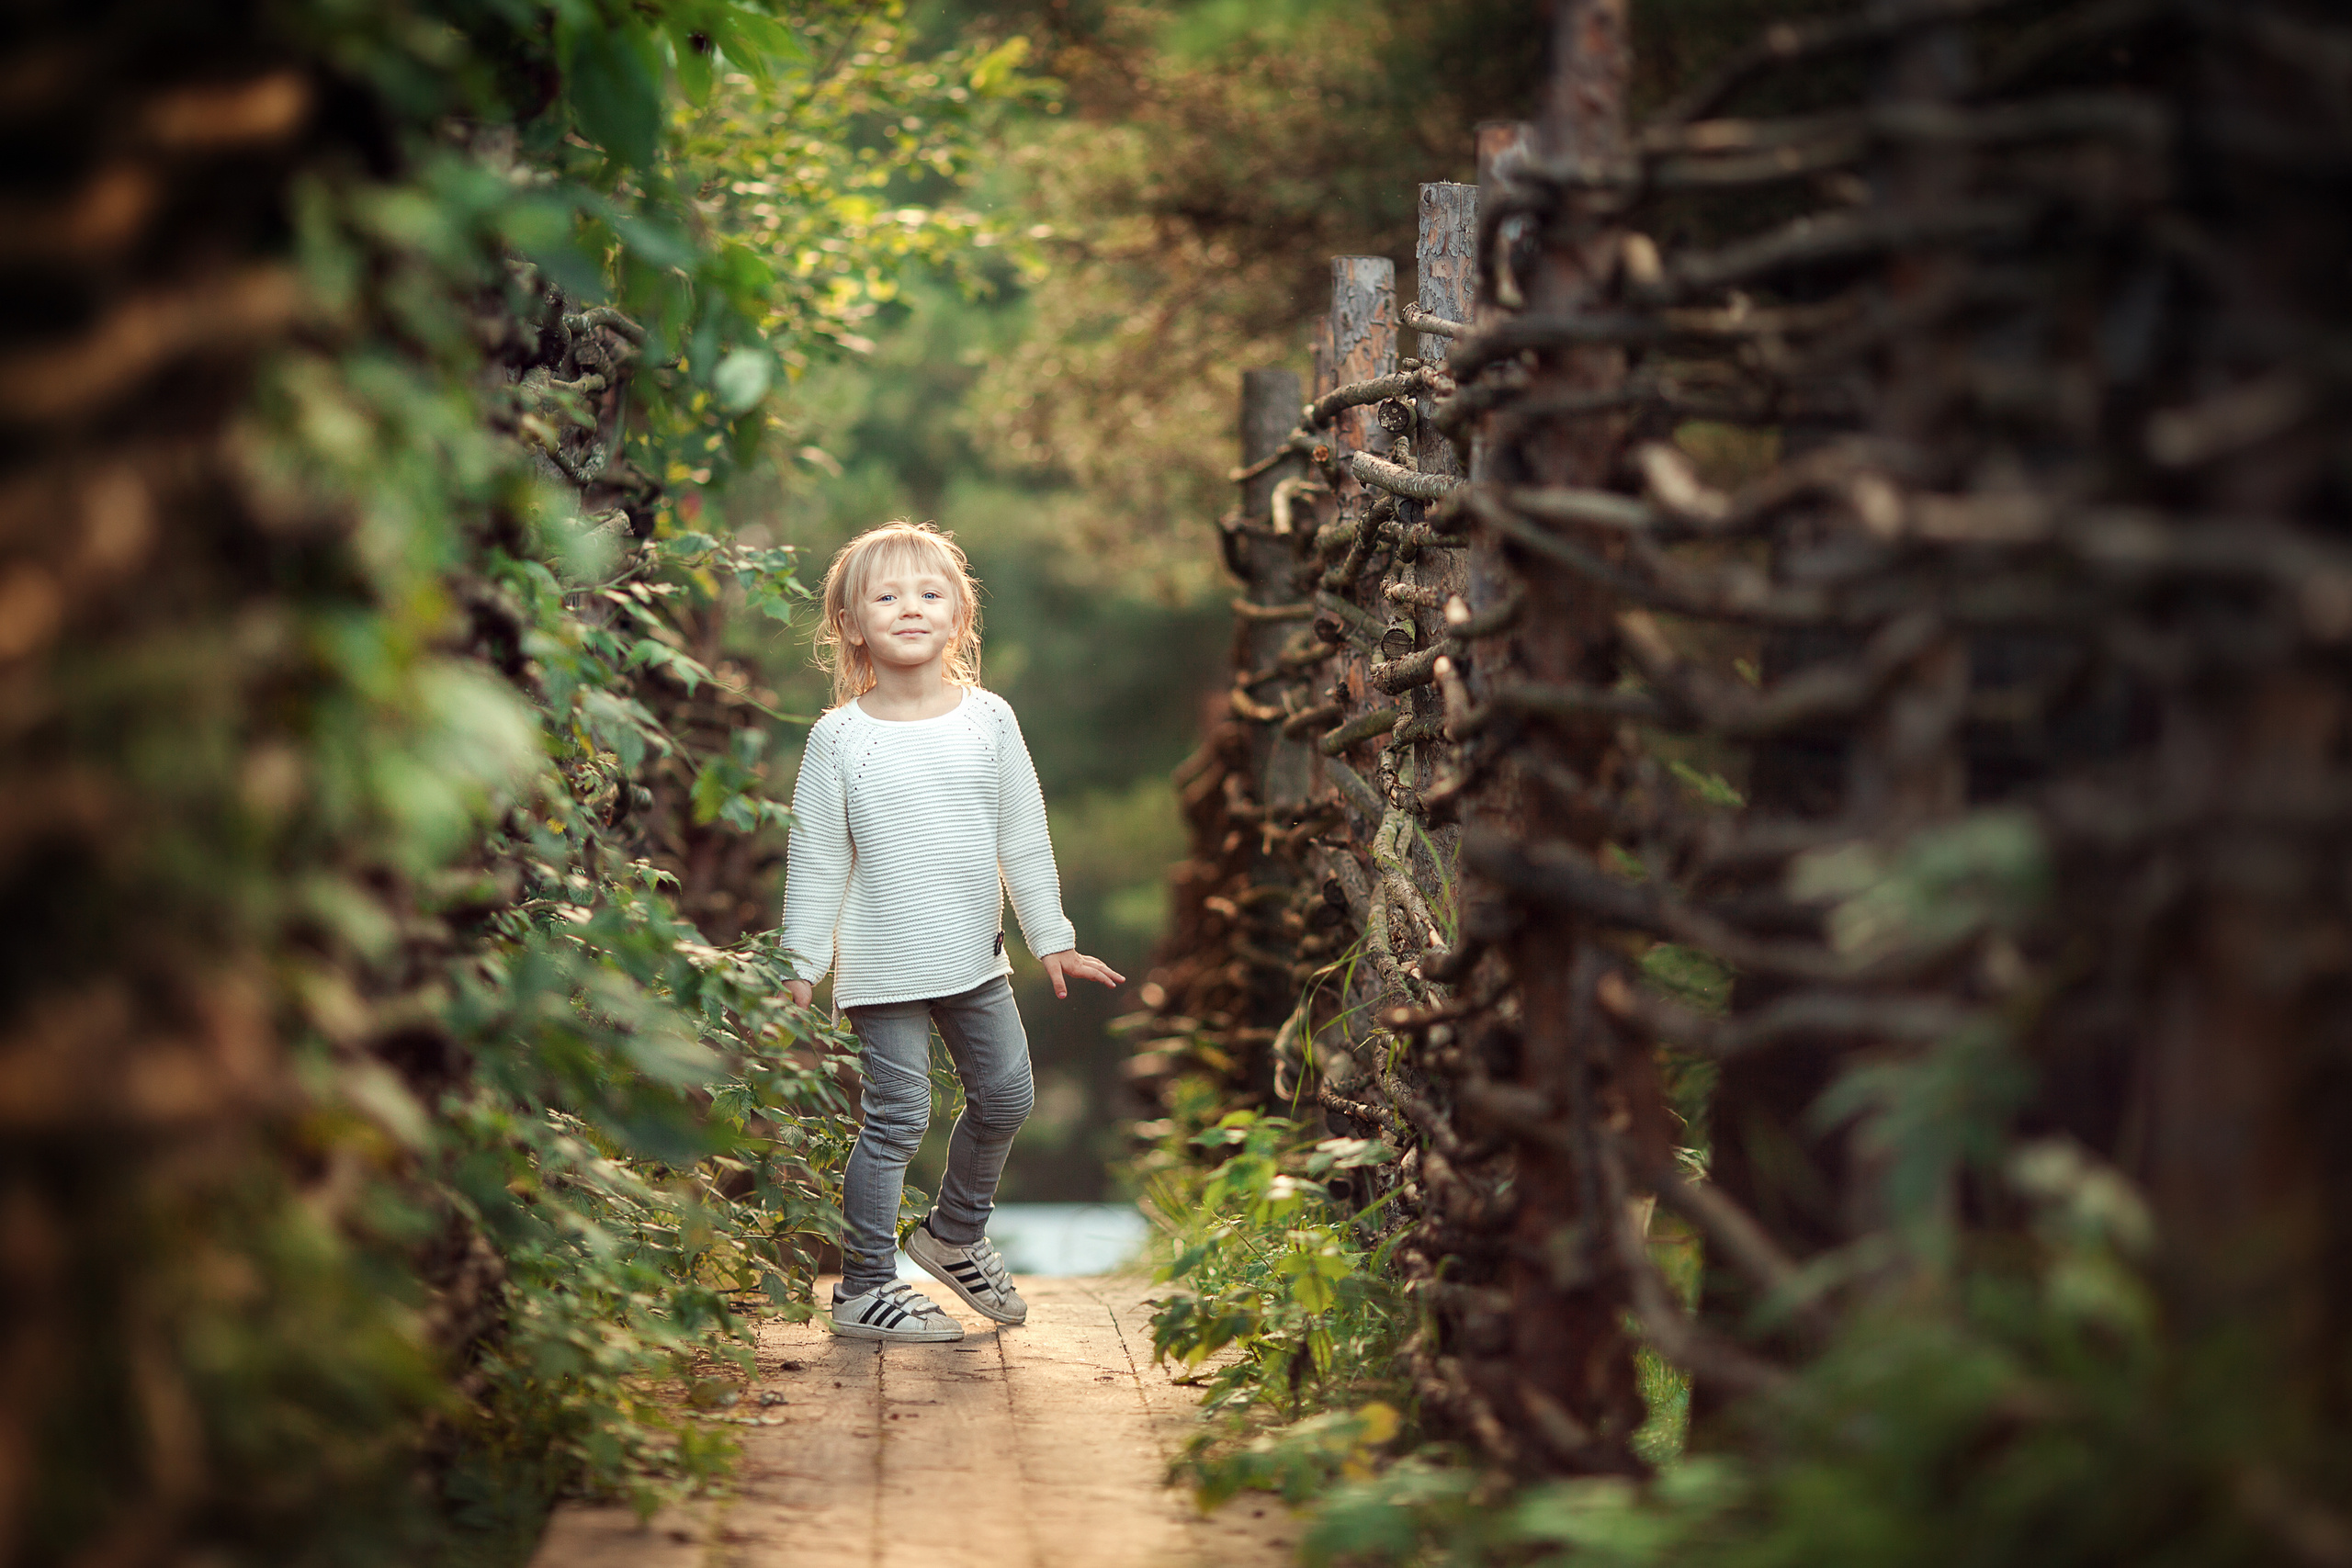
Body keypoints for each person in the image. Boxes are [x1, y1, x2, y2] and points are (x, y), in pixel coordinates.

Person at [777, 521, 1125, 1342]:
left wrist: (1054, 936)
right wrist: (800, 965)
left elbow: (1022, 836)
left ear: (960, 618)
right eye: (888, 596)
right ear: (852, 624)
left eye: (930, 594)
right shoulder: (838, 739)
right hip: (882, 964)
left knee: (1008, 1094)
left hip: (975, 957)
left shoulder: (989, 720)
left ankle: (955, 1234)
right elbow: (818, 860)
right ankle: (863, 1285)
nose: (910, 608)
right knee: (897, 1116)